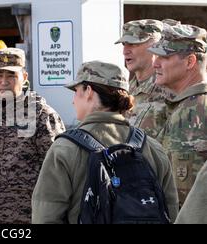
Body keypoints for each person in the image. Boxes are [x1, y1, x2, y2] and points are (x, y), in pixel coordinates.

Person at [31, 61, 179, 224]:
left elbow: (45, 217)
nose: (73, 101)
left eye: (76, 91)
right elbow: (171, 213)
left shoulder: (65, 149)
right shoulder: (152, 148)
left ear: (88, 91)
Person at [0, 48, 66, 224]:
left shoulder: (42, 116)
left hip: (28, 218)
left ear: (24, 77)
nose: (4, 81)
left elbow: (58, 169)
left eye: (11, 75)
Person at [148, 23, 207, 206]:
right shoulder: (184, 106)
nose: (155, 63)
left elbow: (185, 199)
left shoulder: (195, 110)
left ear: (190, 62)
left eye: (164, 56)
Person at [115, 19, 174, 139]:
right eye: (124, 44)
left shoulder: (170, 90)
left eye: (133, 44)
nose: (125, 51)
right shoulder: (126, 90)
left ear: (154, 46)